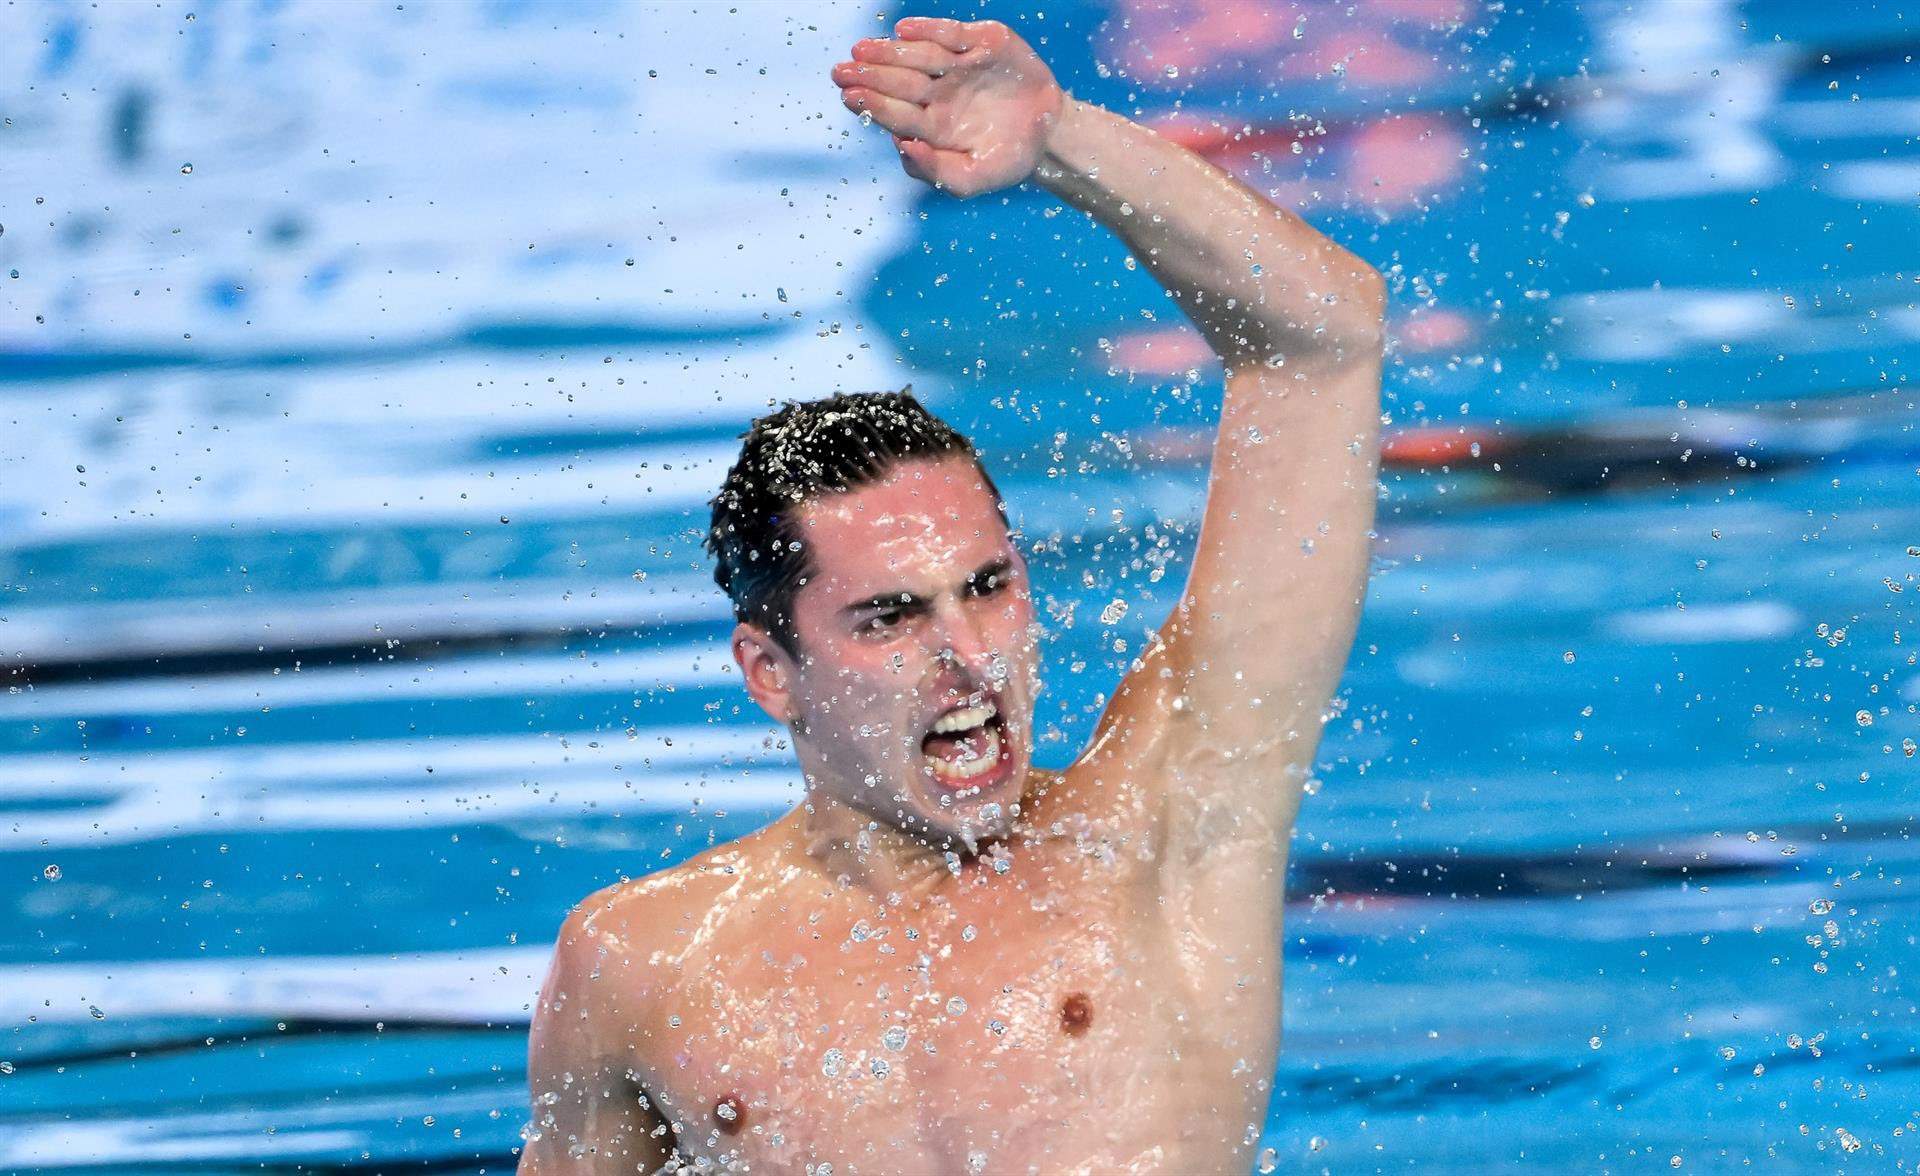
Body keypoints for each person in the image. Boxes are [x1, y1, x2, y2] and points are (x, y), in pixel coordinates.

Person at [519, 15, 1384, 1174]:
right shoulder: (644, 964)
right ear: (770, 671)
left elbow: (1321, 341)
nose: (969, 653)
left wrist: (1066, 139)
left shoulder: (1166, 834)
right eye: (890, 617)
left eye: (986, 587)